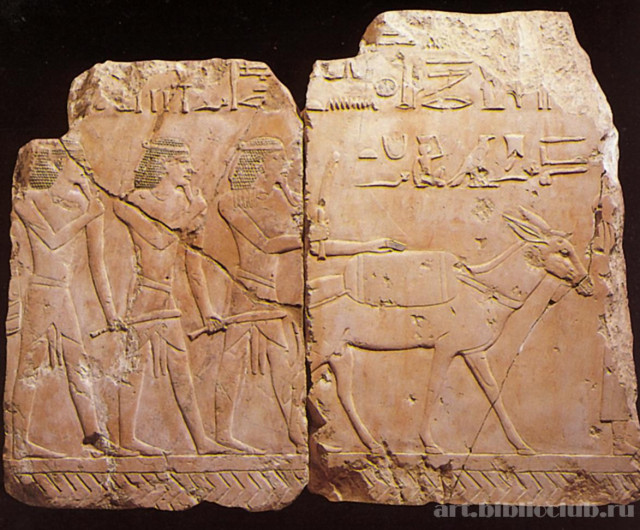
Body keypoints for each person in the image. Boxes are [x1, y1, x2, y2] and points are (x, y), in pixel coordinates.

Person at [112, 137, 230, 455]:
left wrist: (207, 311)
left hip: (167, 299)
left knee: (180, 369)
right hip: (144, 298)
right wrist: (195, 210)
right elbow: (159, 238)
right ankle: (125, 440)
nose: (190, 170)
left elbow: (194, 264)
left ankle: (200, 441)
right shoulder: (135, 200)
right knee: (133, 366)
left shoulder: (185, 205)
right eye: (183, 163)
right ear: (165, 165)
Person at [11, 139, 122, 458]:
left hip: (62, 294)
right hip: (42, 291)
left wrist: (110, 313)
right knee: (30, 365)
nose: (85, 169)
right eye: (79, 163)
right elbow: (52, 239)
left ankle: (94, 433)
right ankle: (18, 443)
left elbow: (97, 264)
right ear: (59, 164)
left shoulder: (82, 204)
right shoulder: (28, 200)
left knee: (78, 362)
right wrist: (88, 215)